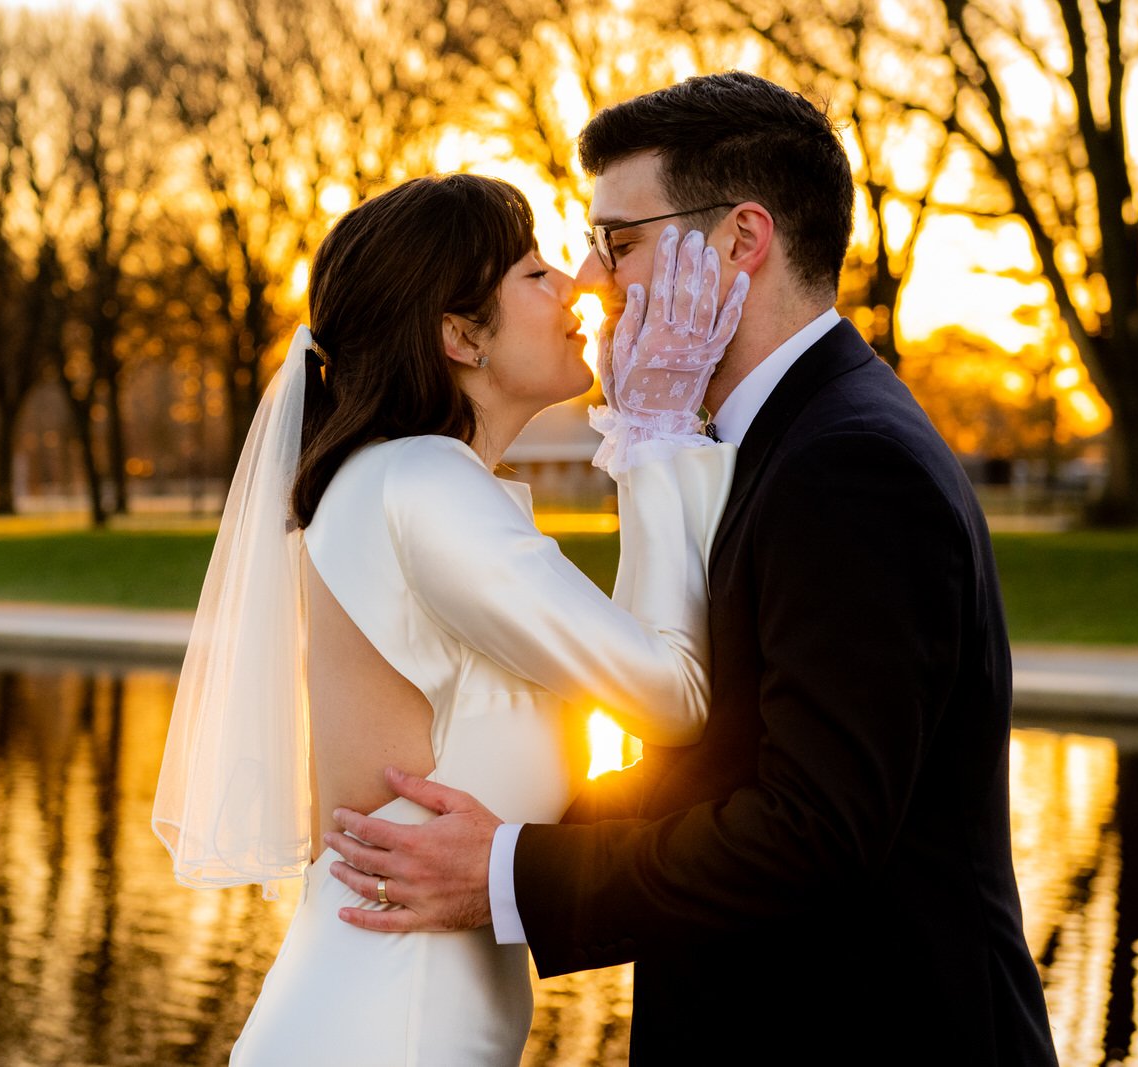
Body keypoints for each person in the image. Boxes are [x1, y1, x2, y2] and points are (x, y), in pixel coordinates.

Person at [325, 73, 1060, 1064]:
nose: (592, 279)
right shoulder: (772, 440)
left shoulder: (849, 460)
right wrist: (505, 837)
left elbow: (814, 828)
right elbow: (712, 758)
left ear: (740, 242)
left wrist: (507, 869)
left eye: (619, 242)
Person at [150, 173, 747, 1064]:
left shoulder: (412, 480)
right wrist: (655, 440)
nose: (581, 284)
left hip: (385, 1011)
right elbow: (671, 692)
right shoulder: (423, 485)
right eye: (536, 272)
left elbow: (630, 663)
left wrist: (647, 442)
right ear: (460, 334)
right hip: (389, 1025)